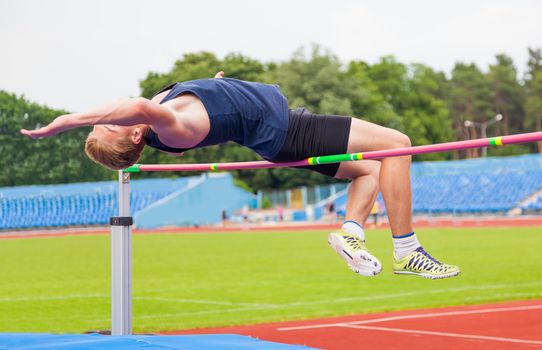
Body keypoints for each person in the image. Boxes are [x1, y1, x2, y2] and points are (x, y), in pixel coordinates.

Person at [21, 71, 460, 279]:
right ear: (135, 130)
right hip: (288, 131)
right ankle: (408, 251)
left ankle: (350, 233)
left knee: (370, 171)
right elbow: (135, 104)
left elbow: (182, 100)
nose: (108, 115)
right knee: (400, 144)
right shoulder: (166, 125)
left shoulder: (164, 110)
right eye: (108, 124)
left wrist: (217, 85)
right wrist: (68, 119)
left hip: (280, 133)